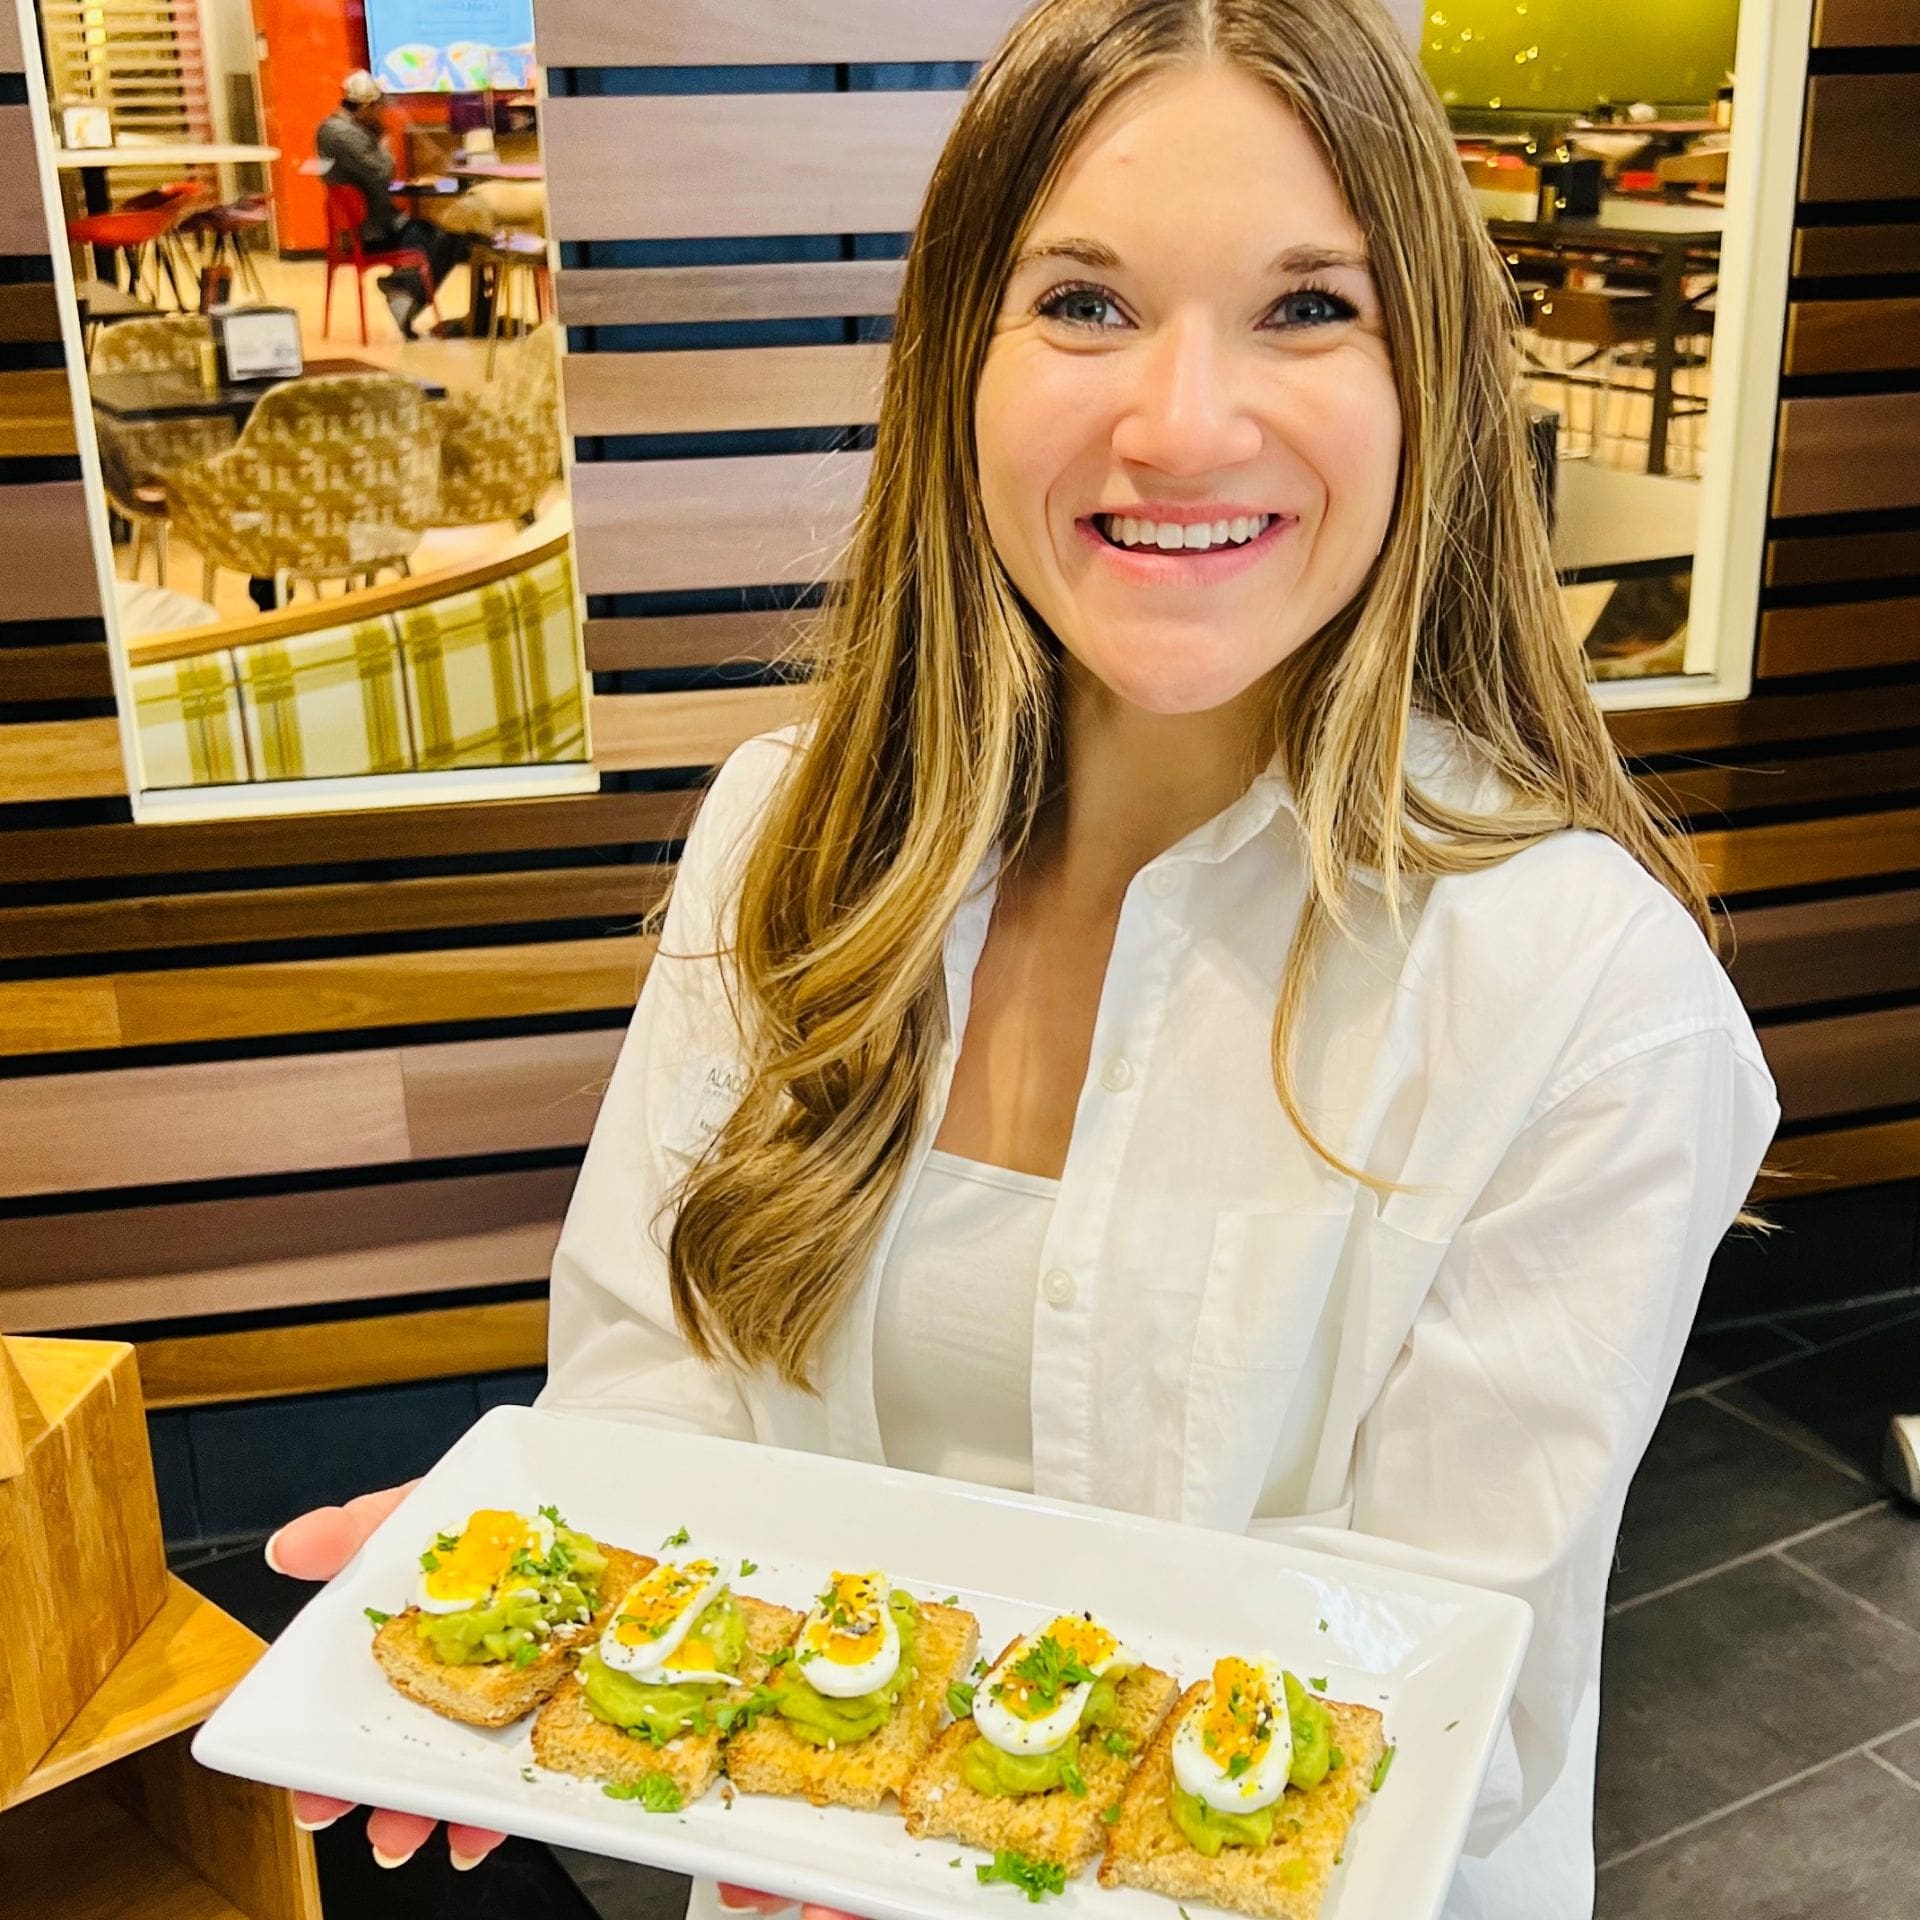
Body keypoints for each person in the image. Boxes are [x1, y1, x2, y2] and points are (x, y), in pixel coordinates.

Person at [264, 1, 1780, 1914]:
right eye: (1083, 302)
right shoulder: (785, 838)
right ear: (955, 365)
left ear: (1435, 384)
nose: (1184, 423)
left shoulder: (1587, 996)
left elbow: (1433, 1676)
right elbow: (661, 1375)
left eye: (1310, 308)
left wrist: (957, 1807)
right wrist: (554, 1571)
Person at [314, 70, 467, 339]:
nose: (382, 113)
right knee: (447, 239)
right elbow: (383, 171)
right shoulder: (341, 134)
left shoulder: (334, 129)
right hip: (370, 232)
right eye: (378, 108)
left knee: (443, 237)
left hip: (369, 224)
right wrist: (384, 142)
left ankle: (402, 293)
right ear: (365, 107)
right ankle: (400, 290)